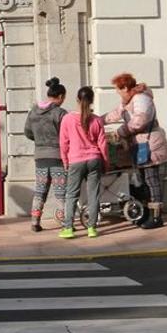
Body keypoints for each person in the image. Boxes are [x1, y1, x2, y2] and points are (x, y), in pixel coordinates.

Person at [104, 72, 167, 230]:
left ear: (125, 87)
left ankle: (156, 217)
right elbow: (114, 114)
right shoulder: (129, 100)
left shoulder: (141, 99)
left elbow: (139, 120)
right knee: (142, 181)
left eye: (118, 90)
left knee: (151, 180)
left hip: (150, 144)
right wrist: (96, 121)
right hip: (141, 145)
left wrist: (119, 132)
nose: (117, 93)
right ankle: (146, 214)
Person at [58, 86, 108, 239]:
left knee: (72, 194)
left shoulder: (67, 119)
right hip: (94, 158)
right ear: (92, 101)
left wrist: (65, 161)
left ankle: (68, 228)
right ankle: (91, 228)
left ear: (77, 100)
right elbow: (103, 143)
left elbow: (63, 143)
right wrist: (105, 161)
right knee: (94, 195)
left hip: (76, 160)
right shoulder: (97, 120)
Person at [24, 77, 69, 232]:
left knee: (40, 190)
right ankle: (65, 223)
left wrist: (39, 140)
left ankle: (35, 221)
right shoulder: (61, 113)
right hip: (57, 157)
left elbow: (27, 132)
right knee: (61, 192)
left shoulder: (33, 112)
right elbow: (67, 135)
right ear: (61, 96)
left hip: (40, 157)